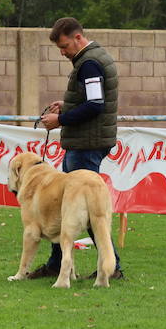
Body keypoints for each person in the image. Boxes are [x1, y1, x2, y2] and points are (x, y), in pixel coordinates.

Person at [28, 17, 123, 281]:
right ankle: (58, 263)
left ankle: (111, 267)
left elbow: (95, 105)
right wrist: (67, 105)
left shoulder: (89, 64)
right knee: (67, 208)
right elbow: (91, 101)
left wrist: (61, 119)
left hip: (85, 145)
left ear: (78, 38)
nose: (62, 51)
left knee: (90, 212)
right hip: (89, 141)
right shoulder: (94, 58)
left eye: (64, 45)